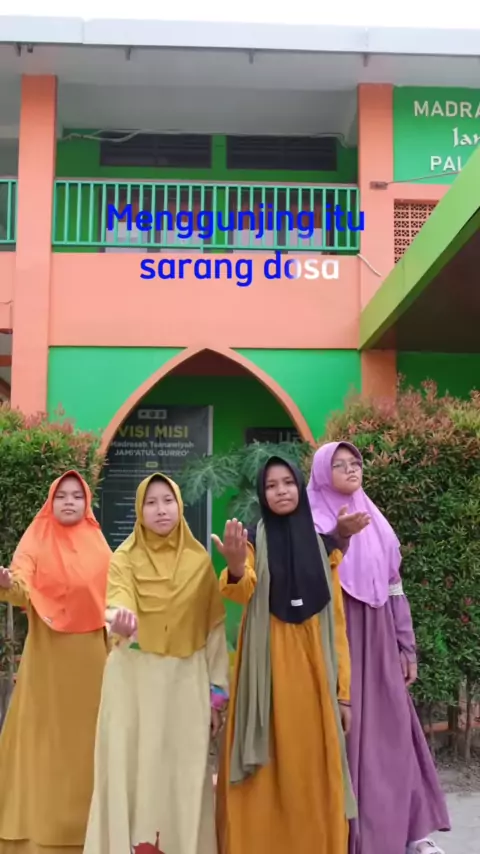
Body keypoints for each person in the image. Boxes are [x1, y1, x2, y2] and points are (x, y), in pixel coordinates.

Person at [212, 455, 370, 854]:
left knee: (312, 771)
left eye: (287, 483)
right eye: (271, 485)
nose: (281, 491)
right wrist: (235, 566)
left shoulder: (323, 548)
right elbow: (241, 589)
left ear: (300, 487)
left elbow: (337, 623)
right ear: (262, 494)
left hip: (315, 678)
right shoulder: (252, 542)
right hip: (266, 675)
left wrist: (343, 693)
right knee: (264, 773)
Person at [307, 442, 450, 854]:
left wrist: (406, 646)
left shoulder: (376, 521)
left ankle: (409, 833)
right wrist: (338, 537)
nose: (351, 469)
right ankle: (350, 838)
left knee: (393, 733)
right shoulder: (312, 521)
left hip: (379, 636)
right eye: (339, 465)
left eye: (355, 463)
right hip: (337, 638)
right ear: (322, 473)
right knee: (348, 735)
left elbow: (393, 586)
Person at [84, 473, 229, 854]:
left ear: (179, 506)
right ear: (139, 510)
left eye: (167, 501)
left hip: (185, 683)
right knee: (130, 770)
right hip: (133, 681)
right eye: (151, 503)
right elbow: (118, 600)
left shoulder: (199, 563)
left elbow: (214, 632)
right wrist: (118, 620)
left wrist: (217, 698)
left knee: (183, 775)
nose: (161, 510)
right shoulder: (124, 558)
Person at [0, 471, 111, 854]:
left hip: (92, 662)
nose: (69, 502)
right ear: (50, 500)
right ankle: (37, 836)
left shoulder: (99, 545)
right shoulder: (36, 540)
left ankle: (89, 833)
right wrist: (7, 585)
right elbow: (21, 586)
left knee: (89, 744)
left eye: (76, 496)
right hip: (48, 661)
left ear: (87, 503)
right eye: (61, 495)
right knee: (44, 743)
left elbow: (115, 595)